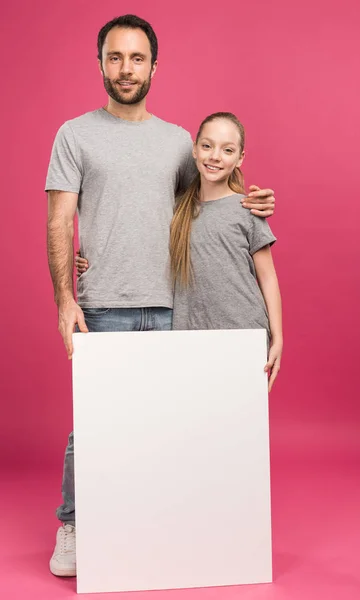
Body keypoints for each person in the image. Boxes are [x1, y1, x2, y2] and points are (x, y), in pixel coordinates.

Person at [46, 14, 276, 578]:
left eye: (137, 58)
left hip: (176, 306)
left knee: (171, 424)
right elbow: (60, 220)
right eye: (116, 57)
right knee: (94, 424)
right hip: (103, 302)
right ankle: (73, 523)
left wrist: (254, 201)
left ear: (154, 66)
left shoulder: (178, 142)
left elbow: (208, 196)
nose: (126, 69)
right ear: (100, 63)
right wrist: (65, 298)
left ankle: (158, 530)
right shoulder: (75, 134)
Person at [78, 112, 282, 390]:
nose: (215, 156)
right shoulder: (176, 210)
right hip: (189, 334)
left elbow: (267, 277)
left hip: (245, 333)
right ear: (194, 150)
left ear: (240, 158)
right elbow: (140, 237)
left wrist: (277, 338)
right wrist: (90, 256)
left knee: (239, 422)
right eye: (207, 146)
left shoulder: (247, 210)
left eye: (227, 150)